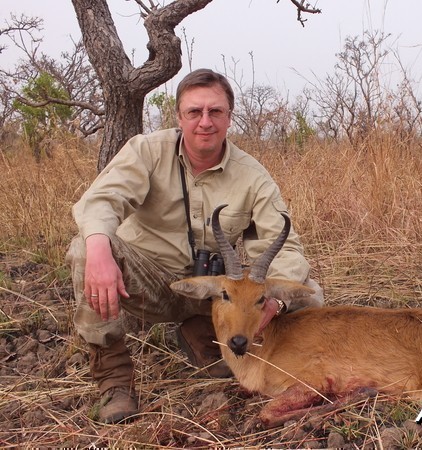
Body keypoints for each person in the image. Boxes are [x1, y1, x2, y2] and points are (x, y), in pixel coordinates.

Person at [65, 68, 323, 424]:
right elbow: (100, 202)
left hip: (212, 291)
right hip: (147, 285)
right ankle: (114, 378)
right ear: (179, 117)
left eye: (215, 112)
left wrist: (275, 300)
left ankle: (214, 337)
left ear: (229, 117)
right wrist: (98, 249)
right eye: (194, 112)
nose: (205, 122)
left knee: (307, 292)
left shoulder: (252, 175)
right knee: (86, 248)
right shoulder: (147, 151)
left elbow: (287, 248)